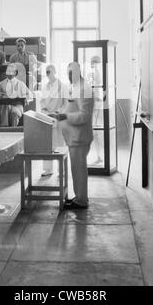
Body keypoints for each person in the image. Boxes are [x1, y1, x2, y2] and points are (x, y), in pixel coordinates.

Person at [50, 62, 94, 209]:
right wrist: (59, 113)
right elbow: (70, 106)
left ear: (78, 72)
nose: (69, 76)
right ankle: (79, 197)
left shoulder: (84, 89)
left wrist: (64, 116)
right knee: (76, 169)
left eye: (72, 73)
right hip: (74, 137)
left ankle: (81, 201)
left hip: (80, 137)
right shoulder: (75, 86)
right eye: (68, 73)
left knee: (79, 170)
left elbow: (84, 116)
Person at [40, 64, 66, 177]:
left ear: (55, 71)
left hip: (59, 118)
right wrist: (45, 112)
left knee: (60, 144)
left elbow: (66, 103)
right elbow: (42, 102)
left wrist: (57, 113)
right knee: (47, 145)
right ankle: (48, 169)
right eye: (46, 72)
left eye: (49, 71)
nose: (48, 74)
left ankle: (62, 170)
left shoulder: (63, 86)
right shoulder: (45, 87)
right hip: (48, 118)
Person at [88, 55, 104, 165]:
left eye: (93, 62)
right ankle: (99, 156)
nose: (91, 64)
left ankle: (99, 156)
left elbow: (96, 89)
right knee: (95, 131)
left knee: (96, 132)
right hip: (94, 103)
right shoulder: (95, 73)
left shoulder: (97, 73)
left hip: (97, 104)